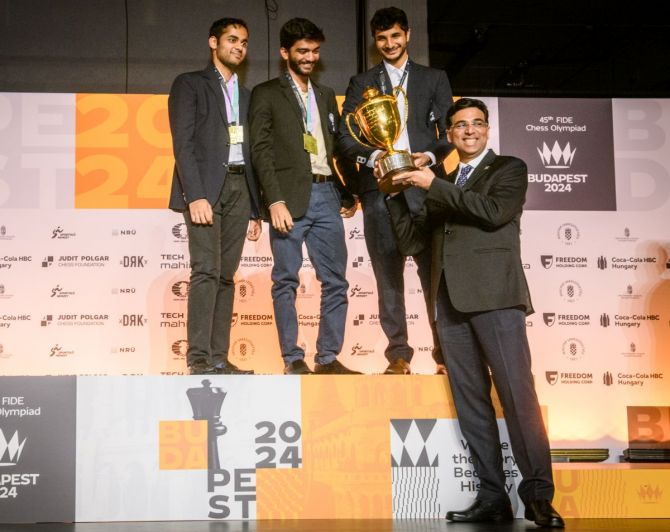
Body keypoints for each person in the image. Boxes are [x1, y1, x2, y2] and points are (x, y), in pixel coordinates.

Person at [384, 98, 564, 528]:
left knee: (518, 400)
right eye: (460, 125)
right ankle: (492, 496)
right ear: (448, 134)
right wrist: (392, 194)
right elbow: (414, 244)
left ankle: (538, 497)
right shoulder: (441, 180)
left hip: (497, 299)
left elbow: (493, 212)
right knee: (472, 405)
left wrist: (432, 185)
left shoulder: (509, 169)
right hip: (449, 303)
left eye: (476, 124)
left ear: (487, 130)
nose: (468, 131)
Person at [338, 6, 453, 375]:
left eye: (395, 36)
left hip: (425, 186)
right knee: (387, 275)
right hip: (379, 187)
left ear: (408, 35)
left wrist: (428, 159)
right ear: (375, 42)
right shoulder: (361, 83)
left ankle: (445, 355)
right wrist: (375, 157)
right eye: (382, 38)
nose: (389, 44)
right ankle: (398, 355)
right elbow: (345, 137)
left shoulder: (434, 78)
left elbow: (450, 134)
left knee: (434, 275)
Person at [249, 18, 360, 375]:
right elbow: (261, 151)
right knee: (286, 280)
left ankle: (327, 358)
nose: (310, 57)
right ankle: (292, 358)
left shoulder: (326, 95)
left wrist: (346, 191)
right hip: (288, 199)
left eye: (314, 51)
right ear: (285, 53)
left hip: (326, 192)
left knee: (336, 282)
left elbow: (330, 150)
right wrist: (273, 201)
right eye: (302, 51)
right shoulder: (266, 93)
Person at [168, 17, 262, 375]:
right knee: (206, 271)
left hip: (241, 188)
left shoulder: (249, 95)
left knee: (226, 276)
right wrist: (195, 194)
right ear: (214, 43)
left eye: (244, 42)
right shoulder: (190, 84)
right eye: (232, 40)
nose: (239, 46)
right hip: (206, 189)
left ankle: (220, 358)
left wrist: (255, 206)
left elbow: (252, 150)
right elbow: (183, 143)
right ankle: (199, 360)